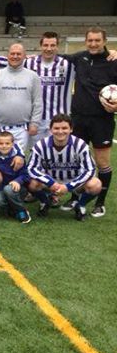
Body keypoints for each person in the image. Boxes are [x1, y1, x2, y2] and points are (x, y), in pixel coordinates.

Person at [59, 27, 117, 217]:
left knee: (102, 162)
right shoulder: (79, 58)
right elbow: (53, 56)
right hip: (78, 119)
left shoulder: (113, 61)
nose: (93, 44)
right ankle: (75, 197)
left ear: (104, 41)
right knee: (77, 161)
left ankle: (99, 203)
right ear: (85, 41)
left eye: (97, 40)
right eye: (90, 40)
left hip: (102, 121)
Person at [27, 114, 102, 221]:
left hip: (74, 181)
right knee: (31, 183)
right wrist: (51, 183)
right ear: (51, 129)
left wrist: (68, 186)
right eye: (56, 128)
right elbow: (31, 168)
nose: (60, 131)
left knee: (96, 184)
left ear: (71, 129)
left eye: (64, 128)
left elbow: (90, 170)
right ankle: (45, 202)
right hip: (51, 181)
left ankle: (80, 205)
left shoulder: (80, 145)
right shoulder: (40, 145)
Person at [0, 42, 42, 151]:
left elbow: (37, 102)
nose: (15, 56)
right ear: (8, 55)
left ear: (24, 56)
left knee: (18, 159)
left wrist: (35, 123)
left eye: (18, 54)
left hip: (21, 130)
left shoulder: (33, 76)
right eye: (12, 53)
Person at [23, 31, 76, 143]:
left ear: (57, 47)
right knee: (36, 151)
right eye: (45, 45)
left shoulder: (68, 64)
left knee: (58, 152)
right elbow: (8, 62)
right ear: (40, 46)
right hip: (36, 120)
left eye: (52, 45)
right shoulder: (28, 63)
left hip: (60, 120)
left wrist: (109, 52)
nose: (49, 48)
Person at [0, 131, 31, 223]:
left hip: (18, 189)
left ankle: (21, 210)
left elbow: (26, 175)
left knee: (8, 189)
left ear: (12, 144)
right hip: (2, 188)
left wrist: (17, 181)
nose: (4, 146)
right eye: (1, 143)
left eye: (7, 143)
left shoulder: (18, 159)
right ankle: (12, 210)